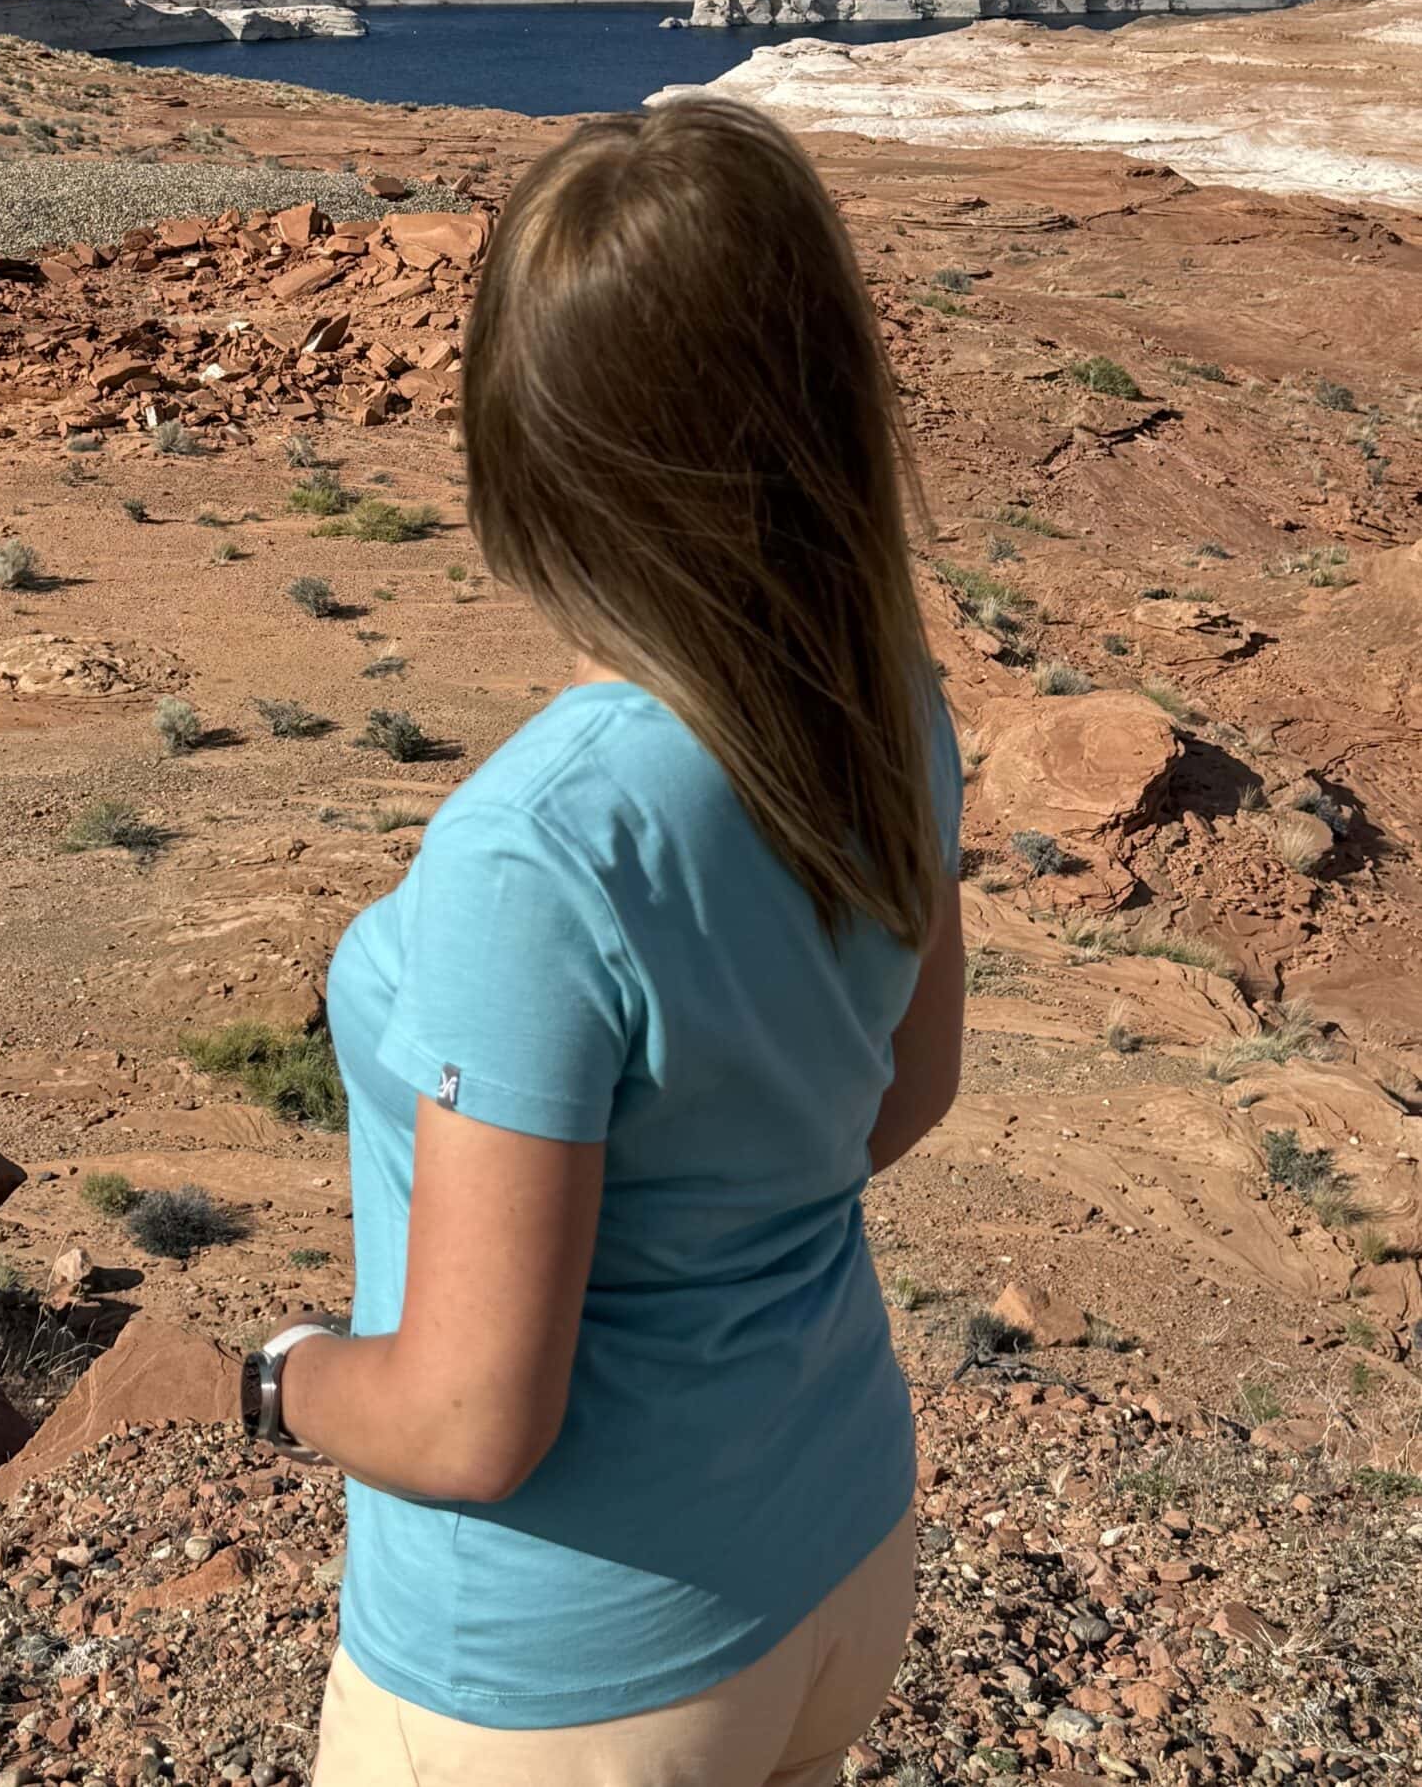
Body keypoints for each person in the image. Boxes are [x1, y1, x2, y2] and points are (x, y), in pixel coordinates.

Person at [241, 99, 966, 1787]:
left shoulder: (539, 848)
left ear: (529, 436)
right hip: (837, 1548)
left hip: (568, 1674)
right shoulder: (884, 698)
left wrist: (275, 1382)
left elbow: (467, 1423)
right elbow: (904, 1096)